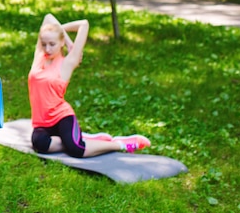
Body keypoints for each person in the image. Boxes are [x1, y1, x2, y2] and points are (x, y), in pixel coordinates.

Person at [28, 13, 150, 158]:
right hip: (41, 123)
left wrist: (64, 38)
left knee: (77, 150)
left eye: (52, 44)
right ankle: (79, 139)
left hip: (61, 117)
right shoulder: (39, 56)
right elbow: (48, 17)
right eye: (44, 44)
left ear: (60, 43)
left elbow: (84, 24)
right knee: (40, 144)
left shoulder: (68, 62)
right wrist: (58, 35)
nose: (47, 49)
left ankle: (121, 144)